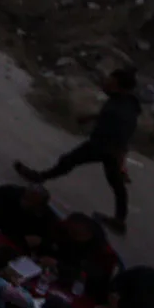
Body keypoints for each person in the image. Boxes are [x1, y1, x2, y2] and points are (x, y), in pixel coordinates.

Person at [16, 68, 139, 233]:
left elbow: (122, 136)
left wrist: (121, 161)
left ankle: (39, 177)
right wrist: (90, 118)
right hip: (108, 147)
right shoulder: (126, 102)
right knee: (116, 183)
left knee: (68, 161)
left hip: (103, 147)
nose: (105, 84)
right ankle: (120, 221)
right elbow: (110, 117)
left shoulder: (120, 111)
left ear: (119, 87)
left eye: (110, 83)